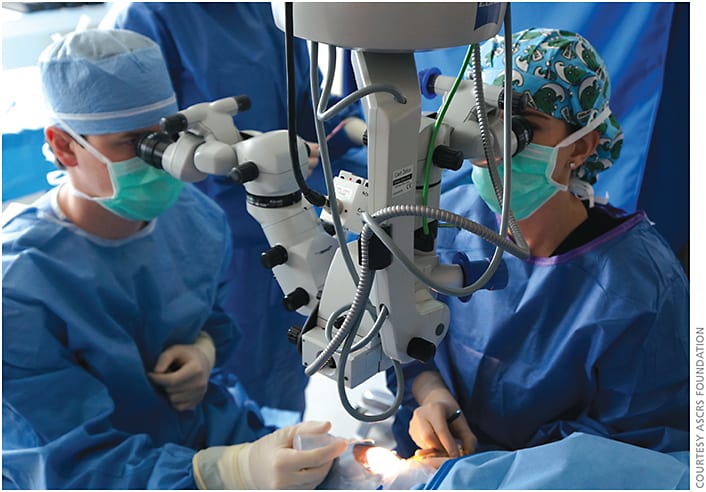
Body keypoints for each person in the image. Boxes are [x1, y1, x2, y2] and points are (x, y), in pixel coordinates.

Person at [1, 28, 346, 489]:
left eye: (165, 136)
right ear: (65, 146)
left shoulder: (194, 217)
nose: (162, 161)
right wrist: (221, 472)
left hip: (202, 435)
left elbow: (213, 323)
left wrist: (203, 350)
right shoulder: (18, 288)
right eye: (132, 144)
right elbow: (61, 462)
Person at [393, 28, 689, 462]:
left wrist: (489, 472)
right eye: (484, 119)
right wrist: (431, 394)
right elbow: (403, 339)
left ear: (582, 146)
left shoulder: (640, 284)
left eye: (520, 130)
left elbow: (640, 447)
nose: (493, 147)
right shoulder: (444, 218)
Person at [106, 2, 366, 423]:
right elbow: (138, 144)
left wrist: (359, 129)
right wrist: (248, 154)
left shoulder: (267, 10)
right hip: (211, 234)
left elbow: (308, 108)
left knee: (282, 383)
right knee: (217, 388)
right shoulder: (150, 18)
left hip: (292, 222)